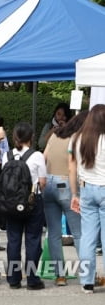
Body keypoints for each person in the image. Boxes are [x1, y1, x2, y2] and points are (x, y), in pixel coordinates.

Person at [42, 111, 88, 286]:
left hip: (49, 183)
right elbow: (72, 168)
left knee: (53, 233)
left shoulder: (55, 134)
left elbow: (44, 156)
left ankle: (59, 275)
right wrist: (75, 193)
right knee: (79, 233)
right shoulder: (77, 139)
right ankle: (86, 274)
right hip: (66, 185)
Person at [1, 122, 47, 290]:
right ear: (32, 137)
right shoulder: (37, 156)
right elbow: (42, 182)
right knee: (33, 240)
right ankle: (33, 279)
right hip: (32, 202)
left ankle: (14, 279)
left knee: (13, 240)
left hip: (11, 204)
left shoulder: (7, 156)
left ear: (14, 137)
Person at [69, 104, 105, 294]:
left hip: (86, 190)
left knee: (87, 238)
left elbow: (72, 169)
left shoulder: (77, 139)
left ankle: (87, 281)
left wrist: (74, 194)